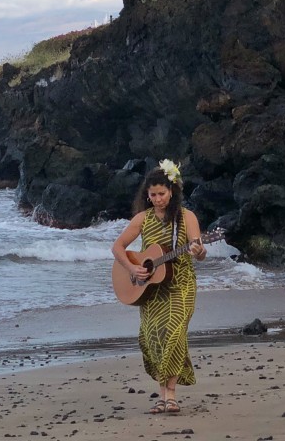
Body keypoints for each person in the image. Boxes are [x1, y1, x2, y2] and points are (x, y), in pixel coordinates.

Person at [111, 159, 206, 415]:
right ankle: (162, 396)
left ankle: (171, 396)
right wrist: (133, 269)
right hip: (150, 287)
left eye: (161, 194)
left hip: (181, 283)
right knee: (152, 338)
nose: (156, 199)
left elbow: (199, 252)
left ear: (172, 191)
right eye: (152, 195)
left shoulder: (186, 218)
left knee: (174, 333)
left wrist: (199, 250)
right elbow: (117, 247)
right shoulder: (142, 218)